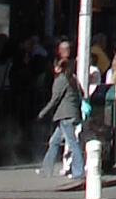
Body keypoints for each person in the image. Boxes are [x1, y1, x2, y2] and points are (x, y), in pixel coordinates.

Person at [36, 42, 85, 180]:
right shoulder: (72, 78)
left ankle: (78, 171)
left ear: (57, 67)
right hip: (70, 114)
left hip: (65, 116)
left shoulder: (60, 80)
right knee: (54, 141)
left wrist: (42, 113)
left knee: (72, 142)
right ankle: (46, 169)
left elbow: (54, 99)